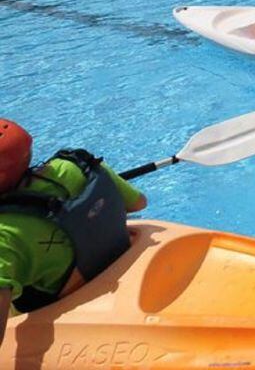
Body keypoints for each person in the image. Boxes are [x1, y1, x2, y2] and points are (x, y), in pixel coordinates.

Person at [0, 119, 147, 337]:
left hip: (66, 304)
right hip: (121, 259)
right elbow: (138, 203)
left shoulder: (5, 237)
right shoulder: (75, 164)